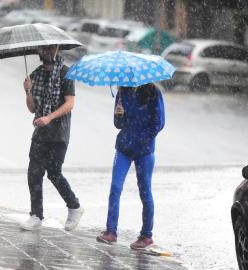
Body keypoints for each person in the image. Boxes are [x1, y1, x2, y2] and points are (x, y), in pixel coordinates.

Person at [20, 44, 84, 231]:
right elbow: (32, 109)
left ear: (57, 50)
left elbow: (70, 103)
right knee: (34, 173)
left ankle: (74, 207)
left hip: (59, 132)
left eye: (50, 48)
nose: (46, 52)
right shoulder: (35, 75)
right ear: (38, 51)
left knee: (54, 173)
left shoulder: (66, 73)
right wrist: (28, 91)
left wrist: (49, 117)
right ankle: (36, 215)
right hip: (40, 132)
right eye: (43, 49)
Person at [96, 83, 165, 249]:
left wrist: (140, 139)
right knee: (115, 187)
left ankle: (146, 236)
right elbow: (118, 124)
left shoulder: (153, 92)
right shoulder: (122, 92)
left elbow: (159, 123)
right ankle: (111, 232)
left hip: (145, 150)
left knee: (145, 191)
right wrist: (119, 116)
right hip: (124, 148)